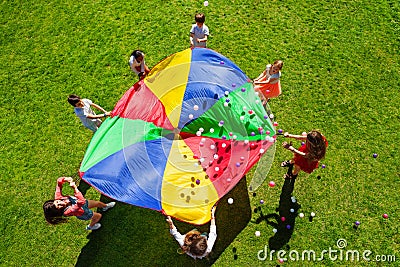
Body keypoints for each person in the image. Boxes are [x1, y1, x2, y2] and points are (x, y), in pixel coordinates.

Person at [43, 177, 116, 230]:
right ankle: (91, 226)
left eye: (57, 202)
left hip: (83, 205)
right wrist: (75, 188)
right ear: (57, 211)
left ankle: (105, 206)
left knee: (98, 203)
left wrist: (67, 179)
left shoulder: (58, 197)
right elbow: (81, 201)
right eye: (58, 206)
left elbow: (59, 181)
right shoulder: (68, 211)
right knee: (98, 216)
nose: (60, 202)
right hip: (84, 213)